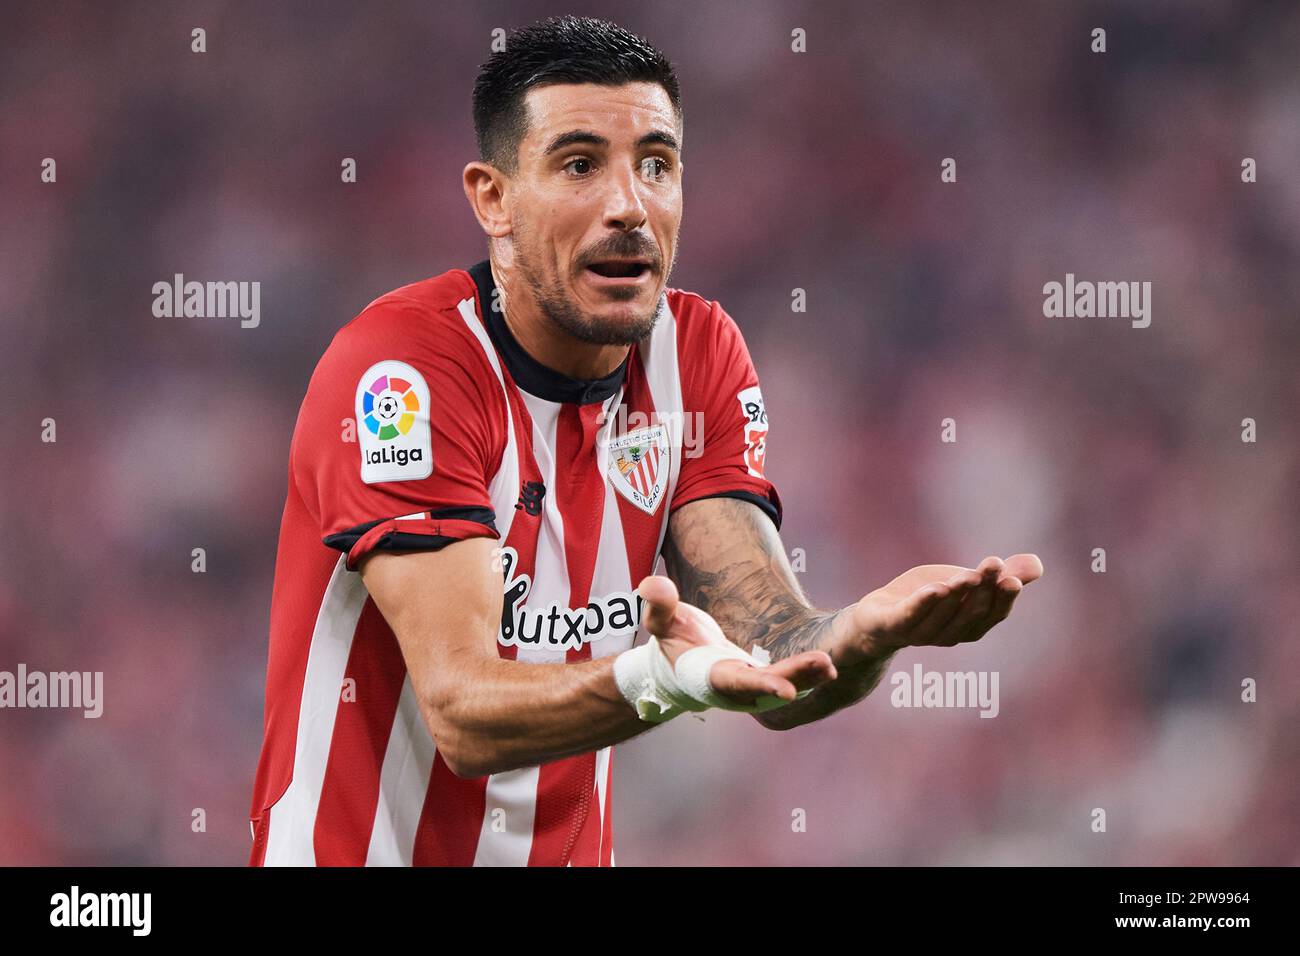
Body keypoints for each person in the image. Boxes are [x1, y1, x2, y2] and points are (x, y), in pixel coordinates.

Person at [247, 15, 1043, 867]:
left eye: (655, 165)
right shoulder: (401, 370)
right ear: (493, 197)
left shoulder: (694, 354)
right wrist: (660, 682)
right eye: (580, 164)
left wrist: (857, 639)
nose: (629, 205)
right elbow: (463, 713)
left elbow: (768, 648)